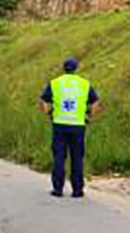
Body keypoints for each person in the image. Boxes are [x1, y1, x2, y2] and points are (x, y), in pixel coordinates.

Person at [39, 57, 101, 198]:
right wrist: (89, 115)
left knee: (59, 157)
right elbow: (96, 102)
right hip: (78, 126)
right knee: (77, 157)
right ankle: (77, 190)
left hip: (59, 125)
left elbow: (43, 100)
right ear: (76, 68)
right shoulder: (84, 84)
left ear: (64, 68)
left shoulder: (55, 83)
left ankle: (58, 189)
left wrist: (48, 113)